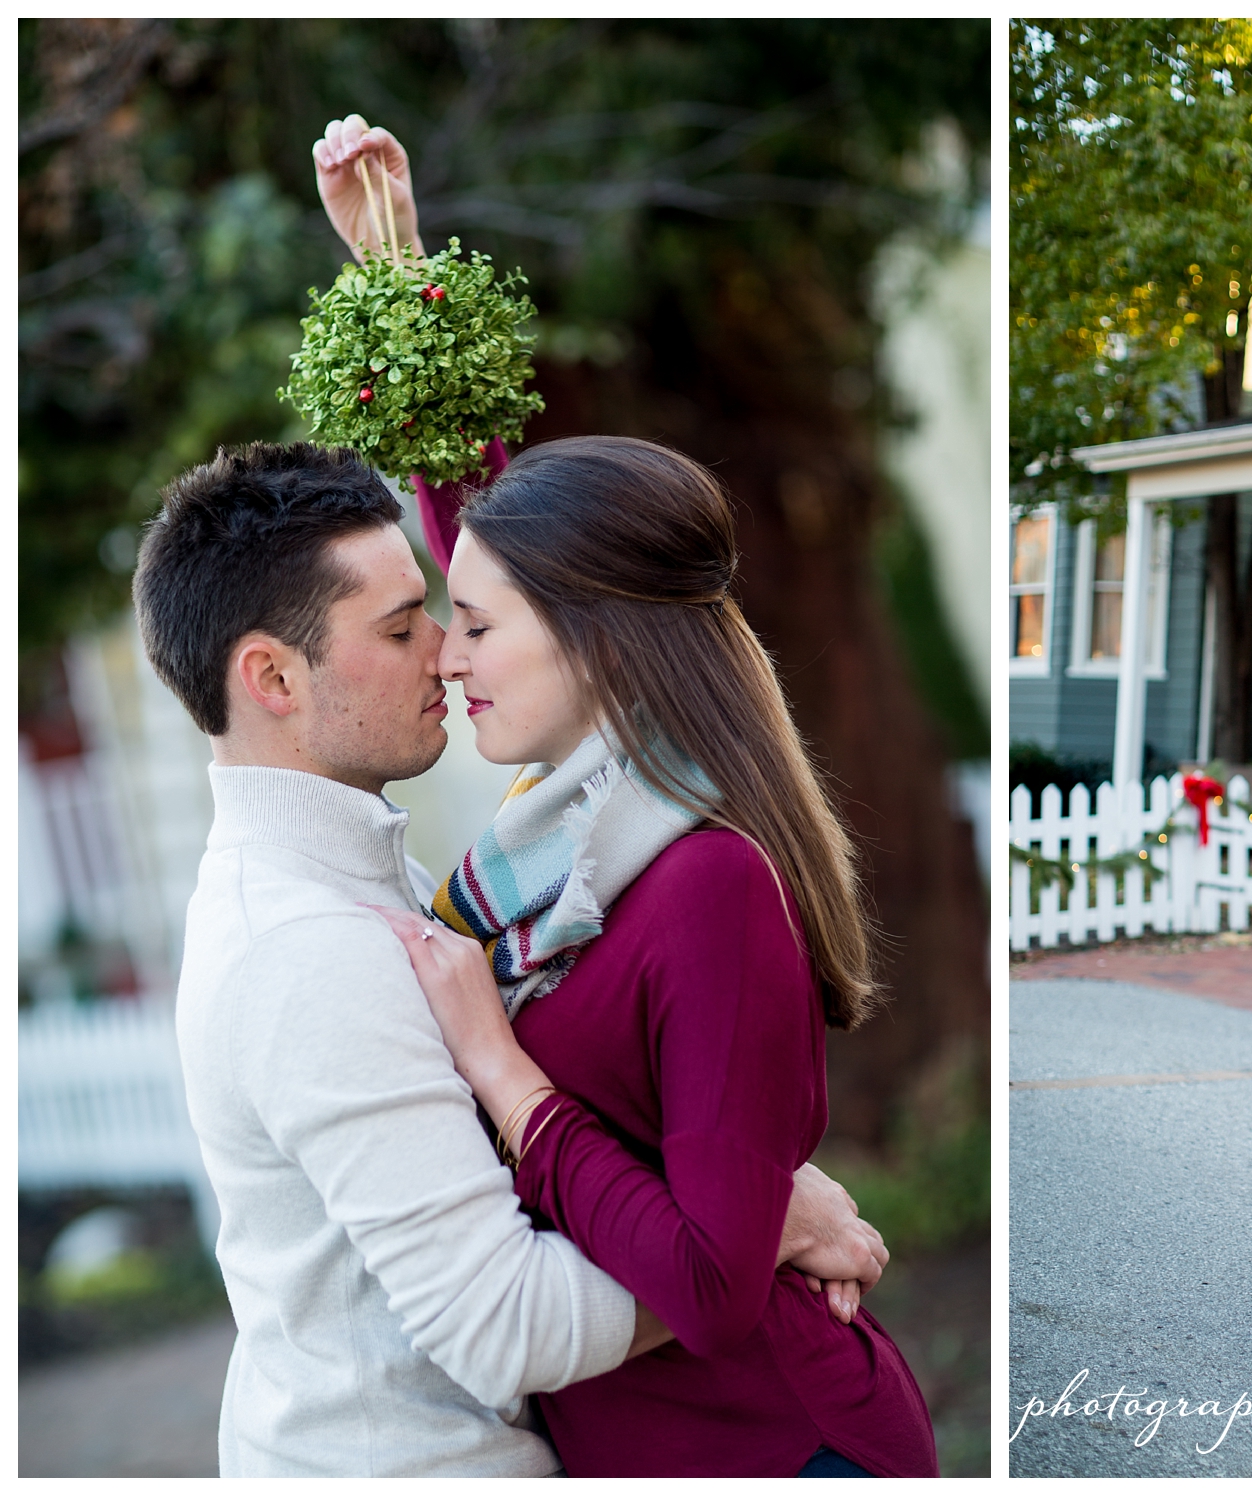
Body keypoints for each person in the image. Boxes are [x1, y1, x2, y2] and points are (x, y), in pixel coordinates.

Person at [319, 117, 937, 1476]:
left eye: (473, 629)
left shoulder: (701, 883)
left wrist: (502, 1069)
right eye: (445, 624)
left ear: (598, 634)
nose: (449, 656)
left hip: (775, 1446)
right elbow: (502, 541)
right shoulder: (575, 841)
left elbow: (713, 1291)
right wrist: (395, 278)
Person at [136, 442, 886, 1476]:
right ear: (270, 675)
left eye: (461, 621)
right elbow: (505, 1320)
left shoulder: (445, 881)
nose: (444, 651)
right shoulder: (308, 947)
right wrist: (758, 1232)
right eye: (406, 627)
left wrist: (732, 1212)